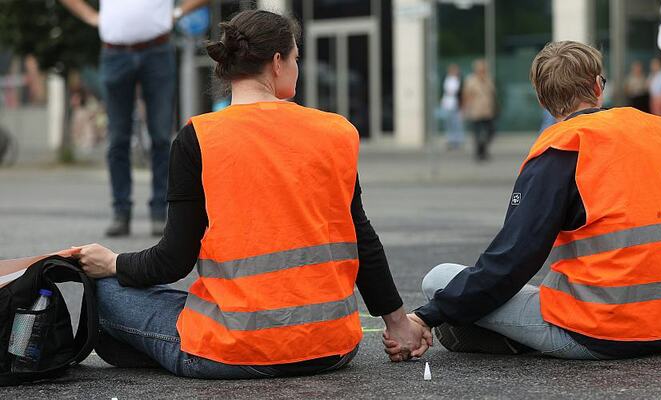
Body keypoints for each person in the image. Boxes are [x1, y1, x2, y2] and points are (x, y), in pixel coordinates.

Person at [71, 10, 430, 379]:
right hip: (330, 348)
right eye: (296, 58)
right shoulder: (336, 132)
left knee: (108, 294)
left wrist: (112, 262)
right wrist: (399, 324)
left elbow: (172, 261)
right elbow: (362, 237)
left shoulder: (199, 138)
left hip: (235, 349)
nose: (296, 66)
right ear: (277, 63)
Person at [386, 41, 661, 361]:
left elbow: (512, 261)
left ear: (543, 101)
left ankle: (504, 340)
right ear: (599, 86)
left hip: (596, 333)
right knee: (483, 294)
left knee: (439, 279)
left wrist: (424, 316)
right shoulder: (659, 133)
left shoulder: (561, 148)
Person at [60, 0, 209, 237]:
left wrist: (178, 12)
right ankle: (121, 212)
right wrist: (91, 16)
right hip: (115, 52)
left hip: (157, 50)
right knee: (118, 138)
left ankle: (160, 212)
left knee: (161, 137)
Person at [462, 59, 497, 162]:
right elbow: (466, 95)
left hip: (487, 111)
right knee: (477, 134)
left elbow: (492, 94)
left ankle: (483, 149)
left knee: (491, 131)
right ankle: (480, 153)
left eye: (483, 69)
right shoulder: (471, 80)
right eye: (480, 69)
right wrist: (465, 108)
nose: (482, 71)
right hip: (476, 111)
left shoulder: (488, 79)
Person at [440, 64, 465, 150]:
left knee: (457, 123)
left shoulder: (460, 80)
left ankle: (457, 141)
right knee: (448, 123)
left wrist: (462, 104)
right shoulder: (446, 79)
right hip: (447, 104)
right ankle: (450, 140)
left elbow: (461, 93)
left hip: (456, 104)